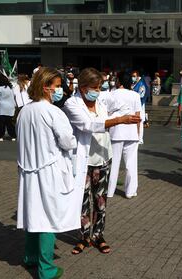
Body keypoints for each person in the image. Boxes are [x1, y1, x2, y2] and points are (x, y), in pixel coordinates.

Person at [63, 68, 140, 255]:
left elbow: (104, 121)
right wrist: (120, 120)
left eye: (99, 87)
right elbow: (88, 126)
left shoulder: (100, 103)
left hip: (103, 157)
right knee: (82, 201)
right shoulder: (72, 104)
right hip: (82, 160)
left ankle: (98, 235)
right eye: (94, 88)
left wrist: (121, 120)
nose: (98, 91)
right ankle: (84, 237)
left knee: (100, 200)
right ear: (82, 88)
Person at [17, 67, 77, 279]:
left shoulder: (24, 110)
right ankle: (46, 269)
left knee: (33, 214)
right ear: (45, 88)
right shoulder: (53, 112)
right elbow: (68, 141)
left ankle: (30, 256)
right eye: (57, 87)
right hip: (49, 170)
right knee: (48, 219)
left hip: (28, 170)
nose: (60, 90)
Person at [107, 73, 142, 199]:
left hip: (116, 131)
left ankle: (109, 191)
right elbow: (138, 116)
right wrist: (138, 134)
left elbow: (107, 113)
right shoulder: (135, 95)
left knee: (113, 163)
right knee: (131, 163)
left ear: (118, 81)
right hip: (131, 131)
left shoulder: (111, 94)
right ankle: (130, 191)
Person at [0, 73, 16, 141]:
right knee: (10, 123)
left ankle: (0, 137)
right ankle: (13, 136)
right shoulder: (10, 88)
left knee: (1, 123)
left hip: (2, 108)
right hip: (11, 107)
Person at [131, 70, 149, 144]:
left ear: (138, 76)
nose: (133, 78)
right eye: (132, 76)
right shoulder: (134, 84)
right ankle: (135, 136)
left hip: (140, 105)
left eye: (134, 76)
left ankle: (140, 138)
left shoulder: (141, 84)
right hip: (134, 105)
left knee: (140, 121)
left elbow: (141, 95)